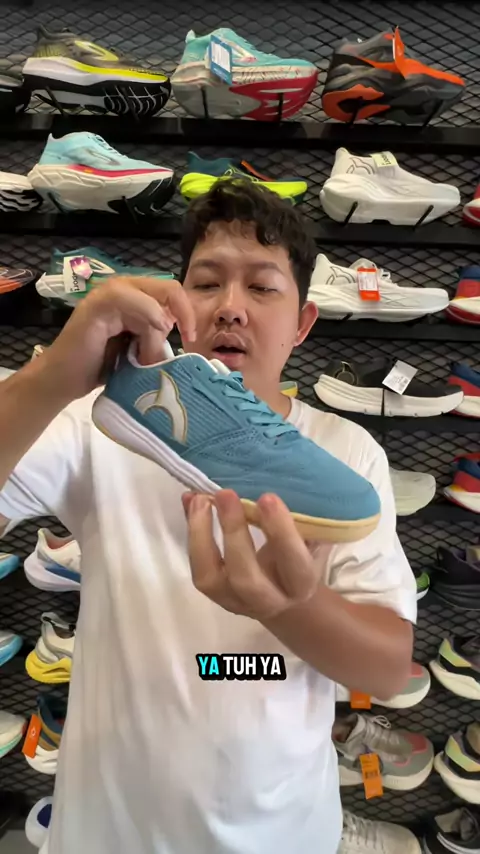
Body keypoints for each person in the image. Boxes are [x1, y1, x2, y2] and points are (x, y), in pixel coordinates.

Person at [0, 179, 415, 854]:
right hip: (110, 835)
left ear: (303, 322)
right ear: (173, 302)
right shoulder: (99, 426)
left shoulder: (346, 452)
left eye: (262, 287)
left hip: (282, 833)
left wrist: (291, 608)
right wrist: (52, 377)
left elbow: (389, 670)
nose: (230, 307)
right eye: (206, 283)